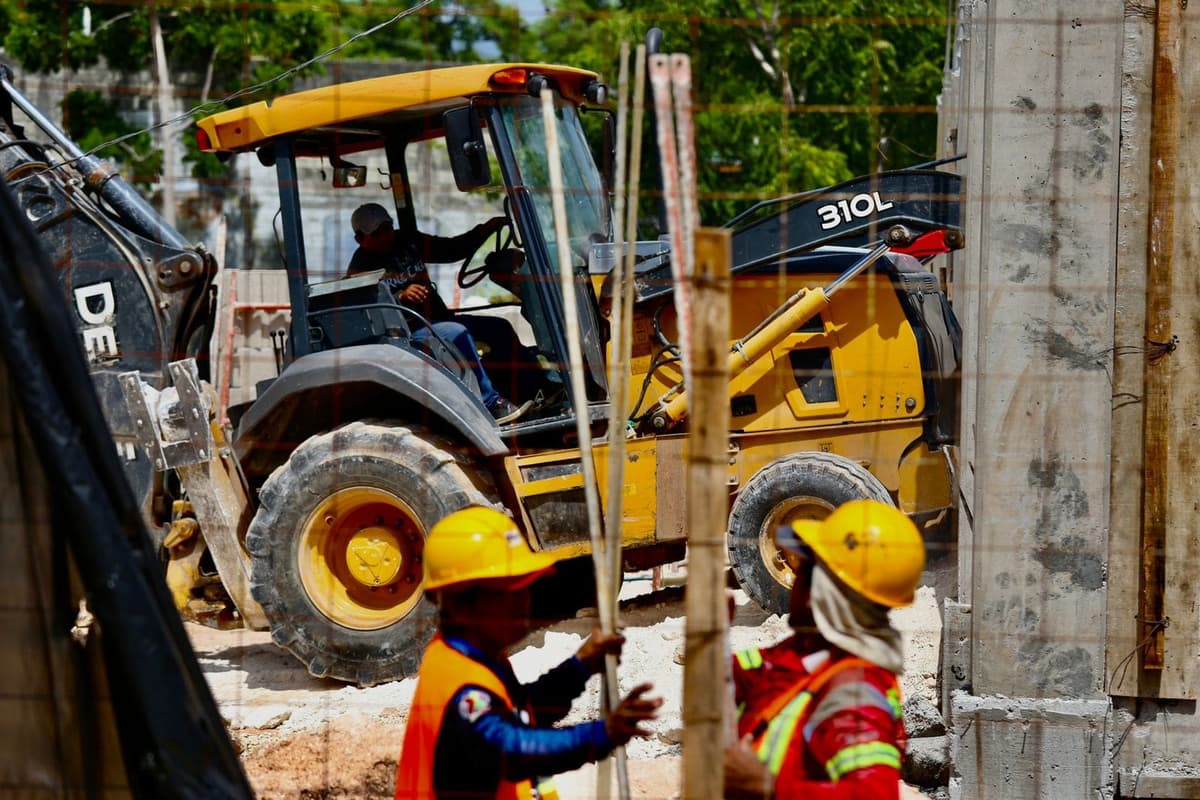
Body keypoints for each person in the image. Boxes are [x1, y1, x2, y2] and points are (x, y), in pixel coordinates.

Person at [394, 505, 662, 800]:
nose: (526, 602)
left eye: (525, 589)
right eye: (511, 591)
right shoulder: (459, 683)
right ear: (461, 603)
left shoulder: (478, 657)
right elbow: (512, 749)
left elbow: (522, 711)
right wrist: (600, 734)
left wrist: (580, 666)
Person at [723, 499, 925, 799]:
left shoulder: (855, 690)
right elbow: (757, 675)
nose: (793, 580)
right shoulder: (810, 654)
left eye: (802, 570)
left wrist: (767, 788)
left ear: (821, 592)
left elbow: (874, 794)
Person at [348, 202, 530, 424]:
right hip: (408, 335)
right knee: (456, 333)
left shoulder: (407, 241)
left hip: (438, 321)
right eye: (377, 233)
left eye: (388, 228)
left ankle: (530, 388)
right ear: (359, 239)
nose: (386, 236)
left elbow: (451, 249)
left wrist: (483, 230)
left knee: (498, 327)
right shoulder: (359, 269)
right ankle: (491, 403)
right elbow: (367, 308)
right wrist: (400, 297)